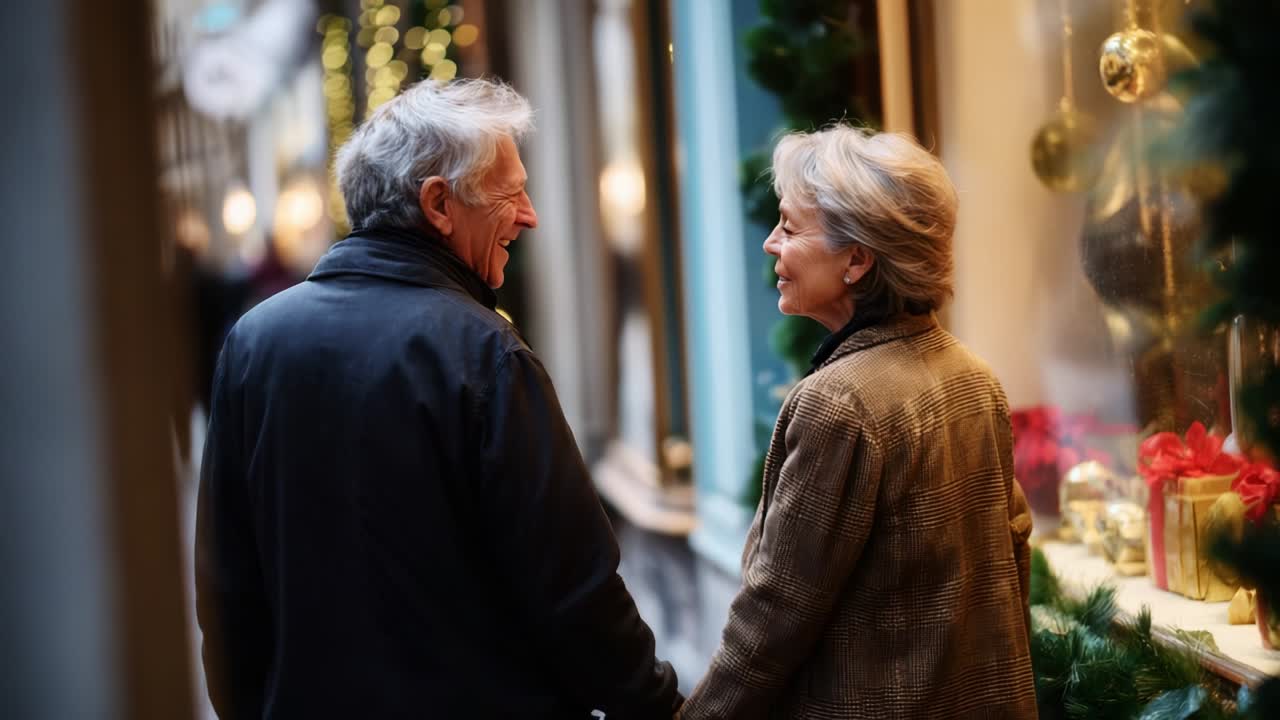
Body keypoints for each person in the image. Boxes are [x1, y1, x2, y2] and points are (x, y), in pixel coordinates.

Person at [195, 78, 681, 719]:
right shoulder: (485, 353)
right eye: (511, 193)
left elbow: (227, 586)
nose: (530, 214)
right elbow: (572, 587)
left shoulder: (254, 342)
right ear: (439, 204)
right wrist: (657, 705)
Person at [679, 126, 1036, 719]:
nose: (769, 243)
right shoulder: (974, 378)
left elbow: (775, 614)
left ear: (858, 259)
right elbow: (1012, 564)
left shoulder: (838, 404)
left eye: (789, 228)